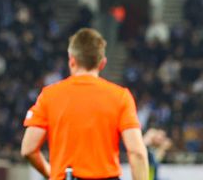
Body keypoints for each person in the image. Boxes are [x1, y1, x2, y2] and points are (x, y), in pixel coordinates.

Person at [20, 28, 149, 180]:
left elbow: (28, 149)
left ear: (72, 60)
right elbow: (137, 153)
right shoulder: (120, 97)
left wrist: (51, 173)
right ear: (102, 64)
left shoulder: (49, 96)